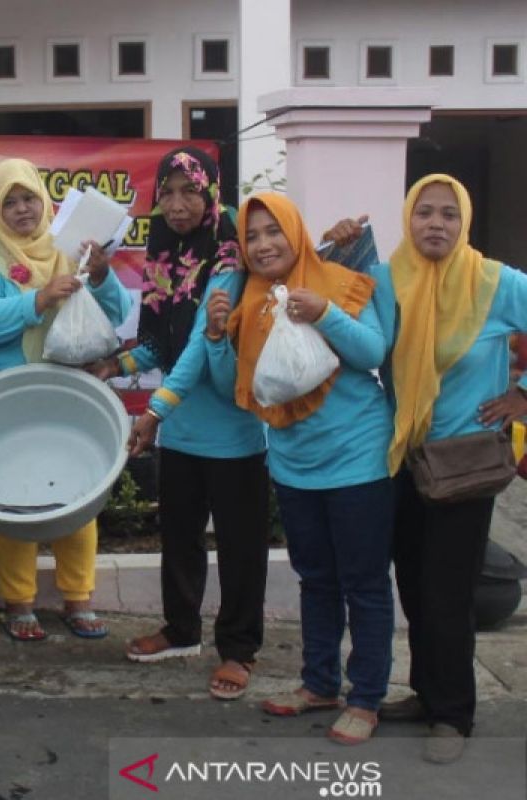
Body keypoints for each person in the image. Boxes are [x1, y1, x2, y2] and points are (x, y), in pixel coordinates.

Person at [204, 193, 395, 746]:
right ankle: (319, 685)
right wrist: (219, 337)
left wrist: (325, 312)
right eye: (253, 235)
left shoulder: (341, 277)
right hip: (293, 465)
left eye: (274, 232)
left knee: (363, 585)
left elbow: (374, 351)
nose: (264, 245)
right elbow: (235, 387)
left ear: (296, 232)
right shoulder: (250, 301)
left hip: (357, 458)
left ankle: (365, 697)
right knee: (316, 582)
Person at [85, 147, 268, 700]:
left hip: (233, 431)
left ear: (211, 192)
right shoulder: (164, 254)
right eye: (167, 193)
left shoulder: (229, 257)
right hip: (183, 432)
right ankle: (181, 628)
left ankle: (238, 649)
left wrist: (154, 409)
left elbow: (194, 349)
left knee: (241, 546)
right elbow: (157, 343)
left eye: (190, 191)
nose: (178, 204)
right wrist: (116, 365)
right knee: (179, 537)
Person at [366, 175, 527, 763]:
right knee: (411, 582)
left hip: (464, 461)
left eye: (448, 215)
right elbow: (361, 337)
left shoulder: (494, 281)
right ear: (408, 219)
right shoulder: (388, 278)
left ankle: (454, 714)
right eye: (425, 213)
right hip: (403, 454)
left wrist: (522, 395)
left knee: (448, 591)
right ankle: (426, 694)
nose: (436, 224)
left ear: (465, 223)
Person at [0, 157, 132, 641]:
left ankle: (79, 599)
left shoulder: (70, 246)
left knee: (79, 494)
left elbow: (116, 313)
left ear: (43, 199)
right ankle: (19, 603)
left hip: (66, 390)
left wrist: (100, 275)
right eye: (9, 201)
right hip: (8, 394)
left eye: (28, 197)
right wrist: (37, 299)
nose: (21, 209)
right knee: (9, 496)